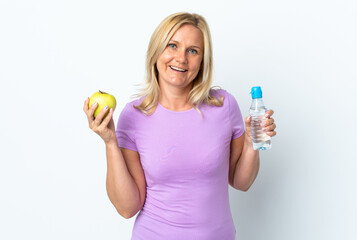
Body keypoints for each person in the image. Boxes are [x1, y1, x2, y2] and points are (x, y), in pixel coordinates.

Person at [83, 12, 277, 240]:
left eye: (193, 50)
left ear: (202, 61)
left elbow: (241, 182)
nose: (181, 58)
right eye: (172, 46)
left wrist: (252, 142)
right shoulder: (134, 116)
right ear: (157, 52)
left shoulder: (224, 106)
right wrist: (110, 142)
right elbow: (127, 208)